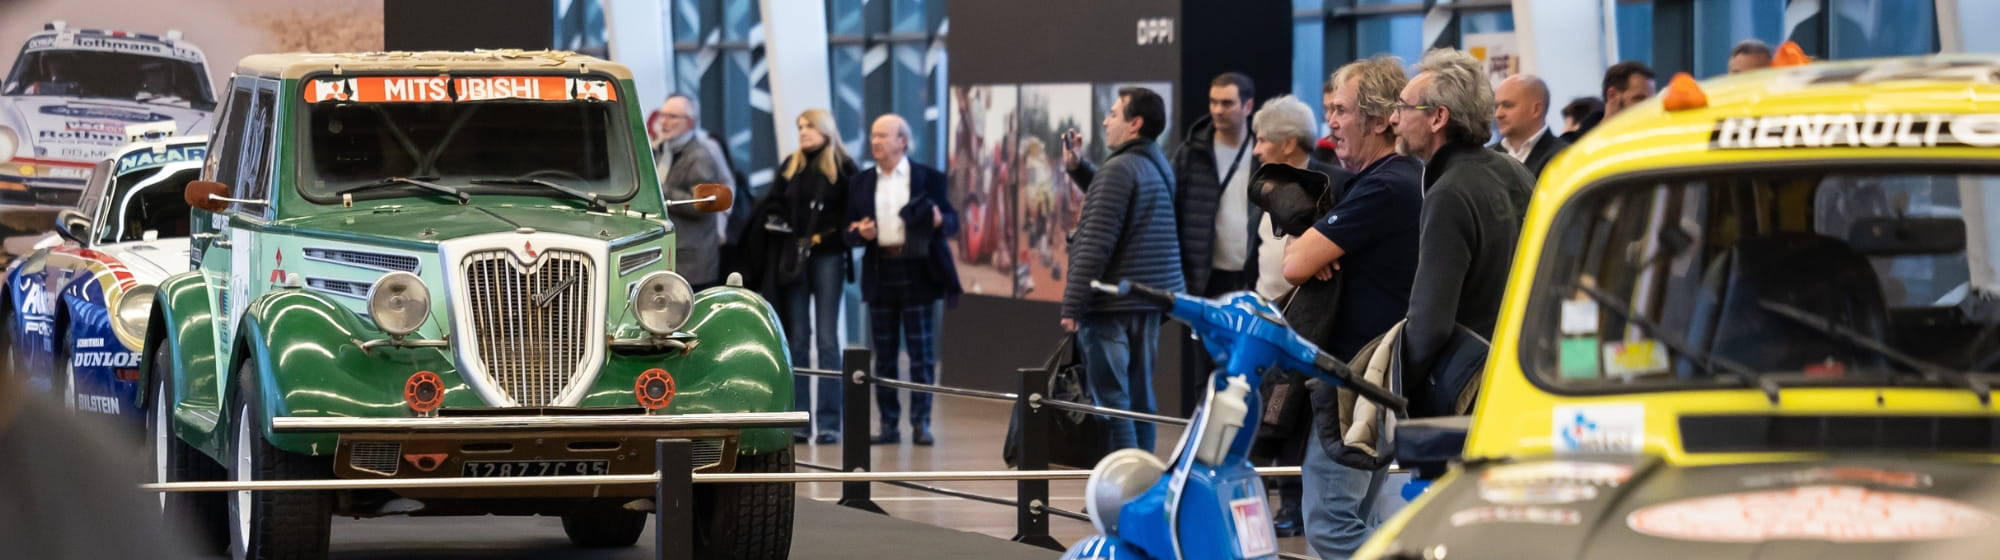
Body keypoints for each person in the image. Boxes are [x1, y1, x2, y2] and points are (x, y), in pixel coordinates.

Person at [1288, 56, 1426, 559]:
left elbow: (1296, 263)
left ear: (1378, 118)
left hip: (1357, 383)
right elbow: (1304, 257)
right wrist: (1318, 249)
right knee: (1359, 517)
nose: (1333, 123)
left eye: (1342, 110)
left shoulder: (1386, 186)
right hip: (1371, 381)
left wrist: (1313, 247)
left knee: (1332, 525)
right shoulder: (1395, 180)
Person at [1391, 48, 1533, 406]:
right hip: (1523, 370)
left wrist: (1396, 388)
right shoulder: (1513, 170)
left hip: (1469, 389)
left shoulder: (1448, 194)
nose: (1394, 119)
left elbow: (1430, 322)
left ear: (1438, 117)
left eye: (1404, 107)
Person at [1060, 87, 1184, 453]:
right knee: (1140, 401)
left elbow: (1095, 241)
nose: (1105, 121)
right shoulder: (1152, 162)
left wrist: (1073, 304)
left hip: (1110, 305)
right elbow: (1121, 197)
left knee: (1113, 405)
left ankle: (1123, 492)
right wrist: (1078, 168)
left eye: (1113, 114)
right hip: (1143, 302)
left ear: (1135, 123)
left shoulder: (1120, 168)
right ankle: (1142, 484)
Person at [846, 114, 961, 446]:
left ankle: (921, 423)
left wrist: (941, 220)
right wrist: (858, 232)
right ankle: (889, 423)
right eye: (873, 135)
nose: (876, 141)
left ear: (903, 141)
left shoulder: (927, 178)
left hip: (918, 269)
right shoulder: (861, 182)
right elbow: (848, 232)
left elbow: (952, 222)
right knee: (883, 355)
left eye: (883, 136)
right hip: (880, 268)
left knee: (921, 353)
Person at [1168, 72, 1261, 416]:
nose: (1218, 110)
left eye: (1227, 102)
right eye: (1213, 102)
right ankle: (1202, 441)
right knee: (1205, 365)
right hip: (1207, 278)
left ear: (1247, 106)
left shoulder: (1263, 149)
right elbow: (1168, 203)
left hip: (1253, 275)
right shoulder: (1192, 152)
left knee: (1250, 362)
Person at [768, 109, 858, 444]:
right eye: (800, 126)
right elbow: (773, 203)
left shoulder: (843, 167)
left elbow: (854, 212)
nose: (803, 132)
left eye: (809, 126)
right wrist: (776, 220)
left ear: (825, 130)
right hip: (795, 258)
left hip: (829, 256)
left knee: (827, 340)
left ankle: (831, 422)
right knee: (798, 341)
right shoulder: (791, 166)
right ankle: (801, 420)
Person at [652, 93, 737, 290]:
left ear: (689, 123)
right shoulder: (662, 151)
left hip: (692, 264)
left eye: (672, 117)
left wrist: (661, 191)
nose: (664, 121)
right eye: (662, 115)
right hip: (670, 255)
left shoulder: (699, 156)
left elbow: (703, 204)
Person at [1491, 74, 1570, 178]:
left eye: (1508, 105)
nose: (1498, 114)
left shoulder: (1564, 157)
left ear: (1536, 110)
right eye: (1496, 106)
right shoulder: (1487, 157)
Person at [1561, 61, 1655, 143]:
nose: (1648, 107)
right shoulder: (1574, 146)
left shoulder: (1651, 141)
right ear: (1612, 95)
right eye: (1639, 99)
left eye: (1651, 101)